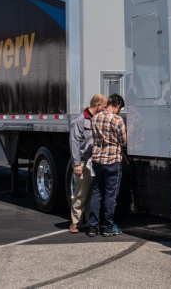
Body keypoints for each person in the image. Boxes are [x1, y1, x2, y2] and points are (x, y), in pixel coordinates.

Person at [88, 93, 127, 237]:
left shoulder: (95, 118)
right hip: (112, 162)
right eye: (120, 108)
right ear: (117, 105)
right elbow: (123, 142)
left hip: (97, 161)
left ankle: (93, 227)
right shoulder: (117, 120)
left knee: (97, 193)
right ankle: (108, 227)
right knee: (110, 196)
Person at [68, 94, 106, 233]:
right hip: (84, 162)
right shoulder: (79, 120)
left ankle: (92, 222)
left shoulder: (99, 119)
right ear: (97, 105)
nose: (105, 108)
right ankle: (75, 222)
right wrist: (76, 164)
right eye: (104, 106)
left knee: (94, 194)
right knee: (81, 193)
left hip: (96, 161)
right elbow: (74, 142)